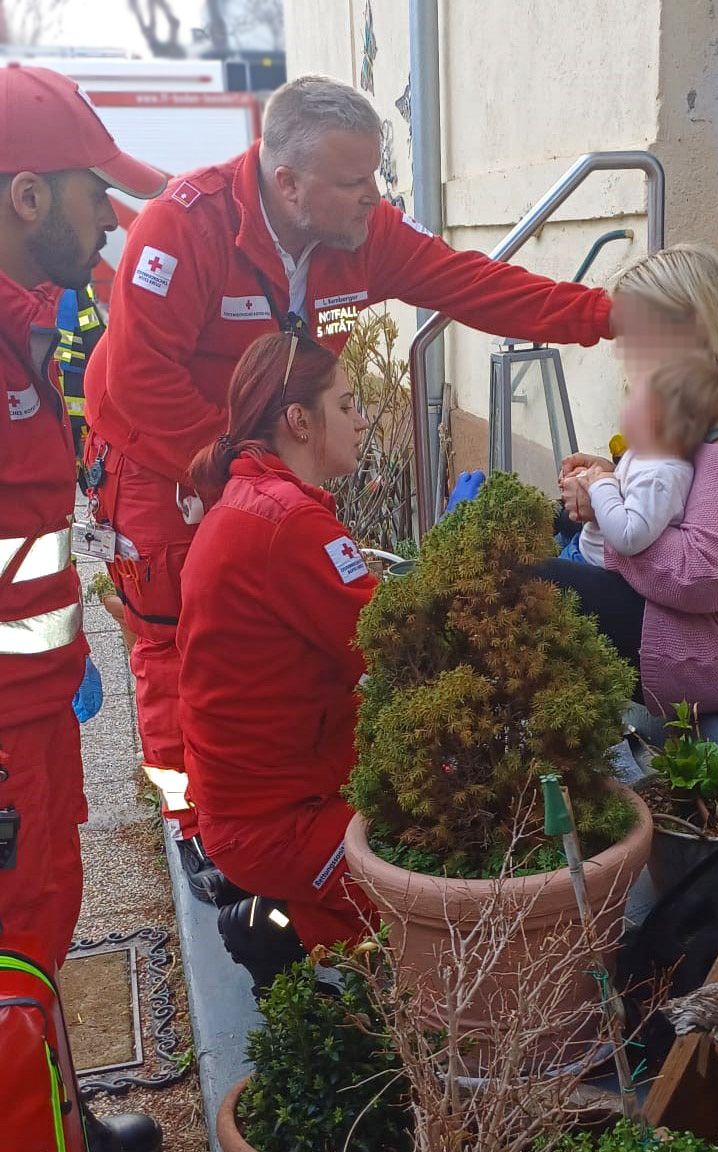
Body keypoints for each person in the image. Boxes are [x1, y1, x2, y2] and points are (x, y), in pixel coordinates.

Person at [83, 73, 621, 903]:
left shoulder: (359, 232)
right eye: (354, 182)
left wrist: (601, 316)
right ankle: (196, 828)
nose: (374, 197)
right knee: (171, 641)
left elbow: (471, 283)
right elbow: (136, 379)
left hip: (259, 464)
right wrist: (233, 477)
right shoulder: (184, 229)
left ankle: (285, 801)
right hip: (165, 462)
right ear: (287, 183)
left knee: (277, 640)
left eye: (376, 176)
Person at [0, 62, 164, 1152]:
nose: (105, 214)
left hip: (38, 709)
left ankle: (59, 1126)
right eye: (89, 193)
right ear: (24, 199)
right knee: (9, 954)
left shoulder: (22, 319)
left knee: (44, 924)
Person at [176, 331, 377, 967]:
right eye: (346, 406)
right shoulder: (289, 522)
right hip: (283, 821)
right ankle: (285, 934)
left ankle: (275, 922)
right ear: (298, 420)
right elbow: (397, 647)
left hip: (255, 809)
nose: (362, 420)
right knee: (439, 889)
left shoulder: (248, 501)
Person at [541, 244, 718, 715]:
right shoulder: (710, 401)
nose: (622, 346)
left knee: (529, 588)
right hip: (696, 624)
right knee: (545, 528)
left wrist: (606, 510)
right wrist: (608, 481)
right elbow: (679, 497)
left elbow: (702, 577)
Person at [568, 357, 718, 563]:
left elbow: (628, 537)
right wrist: (594, 476)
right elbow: (628, 490)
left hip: (595, 567)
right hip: (584, 547)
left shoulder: (660, 476)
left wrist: (600, 486)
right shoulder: (647, 454)